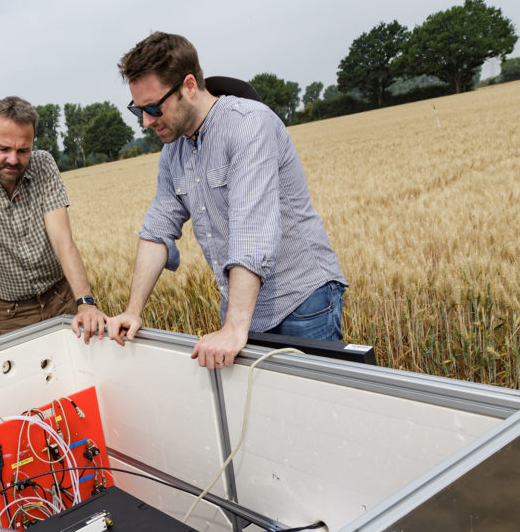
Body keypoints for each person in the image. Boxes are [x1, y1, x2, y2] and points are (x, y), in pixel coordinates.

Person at [108, 32, 347, 370]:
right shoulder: (173, 151)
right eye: (138, 109)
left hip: (302, 301)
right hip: (239, 304)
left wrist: (234, 328)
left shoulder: (249, 125)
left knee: (317, 411)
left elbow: (252, 229)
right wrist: (133, 311)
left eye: (152, 107)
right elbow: (157, 229)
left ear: (189, 86)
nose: (146, 121)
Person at [0, 96, 106, 371]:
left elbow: (63, 241)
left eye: (23, 150)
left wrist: (85, 303)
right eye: (3, 149)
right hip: (11, 312)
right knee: (30, 385)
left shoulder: (43, 165)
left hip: (61, 297)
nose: (13, 160)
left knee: (84, 372)